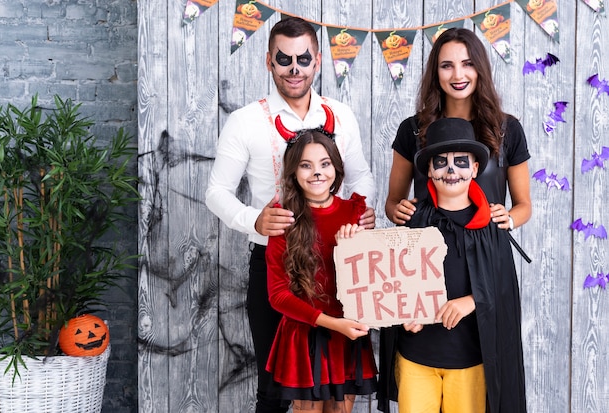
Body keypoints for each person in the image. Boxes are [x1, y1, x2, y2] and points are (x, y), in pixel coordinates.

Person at [205, 16, 376, 413]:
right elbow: (216, 191)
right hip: (277, 265)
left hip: (338, 265)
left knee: (340, 382)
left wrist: (360, 212)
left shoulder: (342, 114)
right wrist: (254, 220)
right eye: (284, 59)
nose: (294, 68)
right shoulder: (245, 120)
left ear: (317, 61)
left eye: (303, 59)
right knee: (275, 387)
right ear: (269, 62)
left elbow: (362, 175)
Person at [377, 118, 527, 413]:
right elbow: (389, 282)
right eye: (441, 162)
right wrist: (403, 312)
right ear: (429, 170)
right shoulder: (412, 222)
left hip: (469, 359)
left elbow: (504, 288)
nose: (451, 170)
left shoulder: (492, 224)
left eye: (460, 161)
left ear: (474, 169)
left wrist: (472, 301)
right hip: (417, 356)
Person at [265, 122, 378, 413]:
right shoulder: (283, 219)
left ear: (336, 168)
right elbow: (278, 295)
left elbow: (374, 278)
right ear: (293, 172)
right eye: (306, 165)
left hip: (348, 334)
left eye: (324, 163)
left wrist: (355, 247)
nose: (317, 172)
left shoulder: (355, 212)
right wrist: (331, 323)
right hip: (305, 335)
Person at [385, 27, 531, 234]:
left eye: (468, 64)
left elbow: (524, 205)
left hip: (487, 251)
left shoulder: (507, 129)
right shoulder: (412, 129)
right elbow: (392, 202)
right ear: (436, 72)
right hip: (428, 254)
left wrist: (509, 218)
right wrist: (397, 211)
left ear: (480, 68)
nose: (458, 75)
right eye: (447, 66)